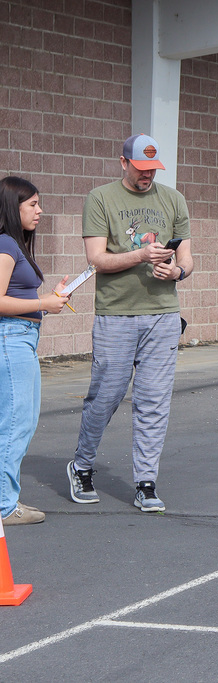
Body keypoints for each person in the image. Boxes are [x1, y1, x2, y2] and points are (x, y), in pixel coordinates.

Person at [67, 134, 193, 513]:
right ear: (123, 163)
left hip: (163, 317)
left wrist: (176, 271)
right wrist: (140, 254)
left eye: (152, 170)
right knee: (105, 397)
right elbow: (96, 260)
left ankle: (146, 483)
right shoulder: (101, 198)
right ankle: (82, 465)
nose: (147, 176)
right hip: (116, 316)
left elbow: (186, 257)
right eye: (140, 169)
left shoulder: (173, 199)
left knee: (153, 402)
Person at [0, 176, 70, 525]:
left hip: (20, 338)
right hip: (11, 340)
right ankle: (4, 507)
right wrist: (42, 302)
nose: (40, 211)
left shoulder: (13, 244)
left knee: (17, 422)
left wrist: (47, 300)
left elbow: (18, 296)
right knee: (16, 424)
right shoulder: (5, 245)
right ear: (13, 208)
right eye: (33, 204)